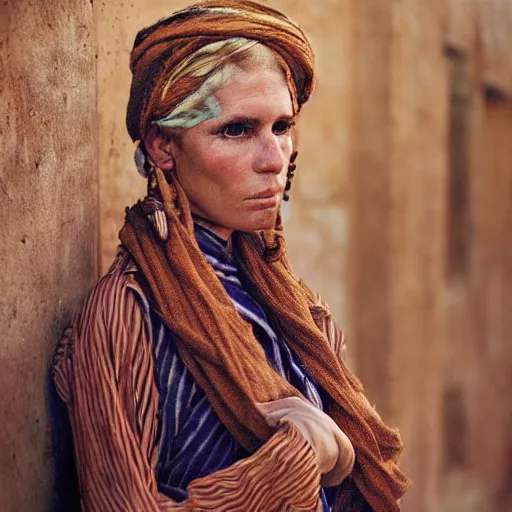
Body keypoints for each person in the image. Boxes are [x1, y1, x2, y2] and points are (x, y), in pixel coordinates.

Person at [53, 1, 410, 510]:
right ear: (161, 146)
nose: (273, 160)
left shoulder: (297, 310)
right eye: (236, 130)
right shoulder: (126, 316)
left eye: (282, 127)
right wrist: (293, 461)